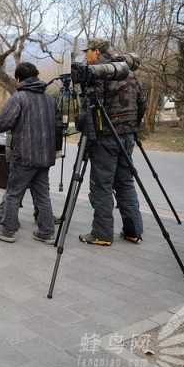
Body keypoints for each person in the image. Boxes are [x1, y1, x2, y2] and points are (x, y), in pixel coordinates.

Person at [78, 38, 146, 247]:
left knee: (102, 186)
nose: (85, 56)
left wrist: (82, 127)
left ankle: (102, 234)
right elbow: (142, 102)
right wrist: (133, 126)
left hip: (106, 138)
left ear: (97, 52)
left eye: (87, 52)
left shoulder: (99, 73)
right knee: (125, 182)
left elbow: (89, 110)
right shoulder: (129, 72)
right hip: (127, 136)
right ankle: (133, 231)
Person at [0, 62, 57, 244]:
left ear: (18, 78)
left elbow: (4, 122)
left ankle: (7, 230)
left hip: (25, 156)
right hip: (45, 157)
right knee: (42, 195)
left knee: (13, 193)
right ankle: (47, 232)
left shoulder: (19, 97)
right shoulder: (49, 99)